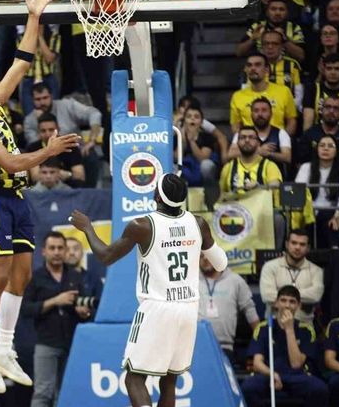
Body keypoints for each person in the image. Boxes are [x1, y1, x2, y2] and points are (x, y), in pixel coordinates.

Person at [0, 0, 80, 394]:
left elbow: (22, 62)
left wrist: (34, 16)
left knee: (22, 276)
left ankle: (5, 349)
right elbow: (9, 163)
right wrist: (49, 151)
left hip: (16, 197)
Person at [69, 174, 226, 407]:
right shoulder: (198, 223)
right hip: (188, 308)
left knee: (134, 379)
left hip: (157, 308)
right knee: (169, 382)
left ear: (158, 197)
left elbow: (106, 256)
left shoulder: (142, 226)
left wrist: (87, 228)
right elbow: (221, 264)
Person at [21, 232, 91, 407]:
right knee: (43, 392)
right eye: (52, 248)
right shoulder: (34, 278)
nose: (57, 252)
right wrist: (54, 301)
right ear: (44, 251)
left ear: (65, 250)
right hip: (46, 343)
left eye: (60, 248)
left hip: (72, 343)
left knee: (66, 394)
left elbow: (82, 303)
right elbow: (25, 309)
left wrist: (83, 311)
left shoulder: (75, 276)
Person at [241, 285, 329, 406]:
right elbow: (257, 363)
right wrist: (272, 374)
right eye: (283, 300)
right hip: (269, 374)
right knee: (248, 387)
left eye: (292, 302)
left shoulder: (306, 330)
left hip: (296, 376)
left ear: (299, 306)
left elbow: (296, 364)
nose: (287, 305)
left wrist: (289, 329)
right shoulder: (263, 328)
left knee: (320, 389)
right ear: (276, 303)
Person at [197, 255, 259, 364]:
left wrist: (261, 345)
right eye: (201, 256)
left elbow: (250, 311)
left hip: (224, 347)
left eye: (209, 254)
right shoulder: (190, 280)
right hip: (196, 347)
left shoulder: (235, 281)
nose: (205, 259)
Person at [295, 135, 339, 248]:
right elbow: (297, 193)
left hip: (332, 213)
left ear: (337, 151)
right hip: (308, 212)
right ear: (316, 149)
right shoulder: (306, 167)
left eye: (330, 146)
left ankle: (334, 250)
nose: (325, 148)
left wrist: (338, 214)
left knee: (327, 216)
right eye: (322, 145)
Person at [260, 230, 324, 325]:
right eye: (294, 243)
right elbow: (267, 296)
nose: (297, 247)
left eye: (302, 244)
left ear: (308, 248)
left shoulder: (316, 270)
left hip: (304, 325)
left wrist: (281, 297)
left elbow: (316, 296)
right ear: (287, 244)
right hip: (275, 324)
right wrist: (299, 300)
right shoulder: (270, 267)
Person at [229, 53, 298, 136]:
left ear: (267, 69)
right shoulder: (237, 96)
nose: (253, 68)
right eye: (249, 65)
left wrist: (282, 140)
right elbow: (235, 126)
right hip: (250, 141)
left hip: (277, 141)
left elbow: (292, 122)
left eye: (257, 65)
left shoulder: (284, 92)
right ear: (245, 69)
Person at [228, 97, 292, 173]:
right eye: (256, 111)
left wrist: (268, 154)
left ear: (271, 113)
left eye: (264, 110)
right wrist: (258, 151)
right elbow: (230, 154)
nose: (260, 114)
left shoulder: (281, 133)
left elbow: (287, 157)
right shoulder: (242, 132)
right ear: (251, 114)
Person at [296, 93, 339, 168]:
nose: (331, 111)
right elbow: (301, 164)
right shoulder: (309, 135)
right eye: (328, 107)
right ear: (321, 110)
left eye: (336, 108)